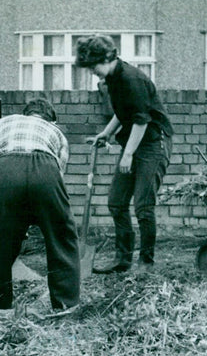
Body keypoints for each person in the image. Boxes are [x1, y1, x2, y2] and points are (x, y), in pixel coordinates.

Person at [74, 34, 173, 273]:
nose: (92, 71)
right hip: (135, 141)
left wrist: (127, 154)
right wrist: (106, 134)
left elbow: (141, 120)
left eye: (94, 66)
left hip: (152, 143)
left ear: (108, 57)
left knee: (143, 205)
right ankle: (123, 260)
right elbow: (122, 112)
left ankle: (146, 263)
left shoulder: (131, 79)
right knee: (117, 202)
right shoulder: (113, 79)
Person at [0, 98, 80, 311]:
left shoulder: (4, 123)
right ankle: (66, 307)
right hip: (46, 170)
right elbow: (58, 179)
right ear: (51, 121)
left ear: (26, 114)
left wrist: (6, 217)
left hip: (6, 170)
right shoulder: (57, 134)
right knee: (62, 237)